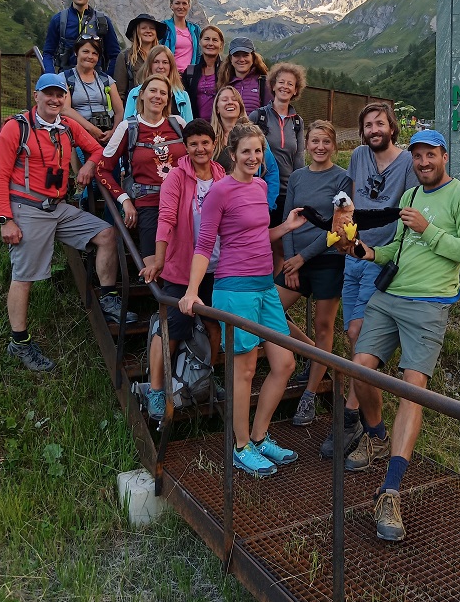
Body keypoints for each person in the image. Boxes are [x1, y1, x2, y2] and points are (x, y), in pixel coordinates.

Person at [348, 130, 460, 542]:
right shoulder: (409, 198)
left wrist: (429, 229)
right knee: (359, 367)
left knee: (413, 387)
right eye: (418, 157)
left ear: (444, 156)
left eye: (430, 155)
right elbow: (396, 250)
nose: (423, 163)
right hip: (388, 298)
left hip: (428, 304)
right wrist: (366, 252)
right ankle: (375, 436)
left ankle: (391, 488)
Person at [179, 124, 306, 479]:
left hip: (265, 286)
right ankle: (240, 446)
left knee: (284, 364)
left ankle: (260, 436)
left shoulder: (262, 186)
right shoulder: (220, 192)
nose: (253, 158)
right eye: (246, 151)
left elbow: (254, 232)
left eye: (258, 151)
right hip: (234, 289)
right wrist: (191, 291)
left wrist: (285, 228)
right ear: (232, 154)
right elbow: (205, 245)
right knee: (245, 369)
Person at [0, 74, 137, 372]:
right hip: (27, 208)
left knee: (106, 234)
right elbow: (0, 177)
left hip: (59, 207)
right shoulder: (15, 128)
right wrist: (6, 220)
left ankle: (108, 298)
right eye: (49, 94)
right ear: (36, 96)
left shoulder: (67, 126)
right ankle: (19, 342)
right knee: (25, 276)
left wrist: (87, 165)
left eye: (60, 95)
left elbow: (98, 149)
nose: (55, 100)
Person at [321, 102, 417, 461]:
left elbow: (406, 209)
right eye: (368, 125)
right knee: (351, 333)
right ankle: (357, 416)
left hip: (380, 257)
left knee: (360, 333)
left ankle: (352, 417)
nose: (374, 129)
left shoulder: (407, 162)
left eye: (380, 123)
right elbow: (348, 198)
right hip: (353, 255)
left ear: (392, 127)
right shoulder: (360, 155)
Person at [139, 119, 226, 419]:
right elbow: (166, 220)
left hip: (215, 266)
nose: (200, 148)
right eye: (193, 144)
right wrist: (159, 260)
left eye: (205, 142)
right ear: (185, 147)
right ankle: (155, 388)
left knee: (215, 326)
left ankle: (205, 379)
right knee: (173, 327)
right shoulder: (176, 177)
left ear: (214, 144)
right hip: (182, 268)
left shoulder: (221, 174)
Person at [275, 120, 352, 426]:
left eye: (326, 142)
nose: (320, 147)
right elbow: (288, 218)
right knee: (269, 311)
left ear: (334, 146)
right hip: (296, 259)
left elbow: (338, 227)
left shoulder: (343, 179)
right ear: (306, 144)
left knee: (324, 326)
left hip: (328, 260)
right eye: (315, 141)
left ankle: (309, 396)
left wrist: (302, 259)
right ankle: (312, 353)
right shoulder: (297, 177)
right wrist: (291, 258)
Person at [96, 75, 186, 262]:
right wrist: (125, 200)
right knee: (153, 265)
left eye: (163, 93)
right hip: (149, 205)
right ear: (142, 95)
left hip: (182, 202)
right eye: (153, 91)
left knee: (185, 262)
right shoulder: (127, 128)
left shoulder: (178, 124)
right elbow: (102, 170)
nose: (157, 96)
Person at [250, 62, 306, 274]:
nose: (285, 87)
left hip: (287, 192)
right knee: (260, 241)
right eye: (281, 82)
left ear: (295, 90)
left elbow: (299, 158)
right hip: (261, 190)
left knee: (281, 245)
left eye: (290, 84)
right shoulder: (258, 116)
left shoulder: (298, 122)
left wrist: (299, 189)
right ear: (272, 86)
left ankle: (274, 289)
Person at [211, 85, 279, 212]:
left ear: (240, 106)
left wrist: (267, 205)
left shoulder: (255, 136)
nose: (230, 102)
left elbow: (272, 172)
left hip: (250, 205)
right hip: (219, 206)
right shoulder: (210, 138)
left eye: (234, 99)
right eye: (225, 99)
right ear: (217, 108)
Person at [43, 0, 121, 76]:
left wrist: (106, 79)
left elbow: (115, 55)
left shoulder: (103, 21)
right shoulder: (59, 20)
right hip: (66, 79)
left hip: (95, 80)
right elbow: (48, 53)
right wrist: (51, 77)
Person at [61, 35, 124, 146]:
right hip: (77, 134)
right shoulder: (65, 78)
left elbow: (119, 111)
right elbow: (65, 109)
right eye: (85, 51)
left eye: (95, 53)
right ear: (76, 52)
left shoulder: (106, 80)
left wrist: (114, 132)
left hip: (106, 134)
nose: (90, 56)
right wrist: (90, 128)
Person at [124, 45, 193, 122]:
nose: (161, 66)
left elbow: (189, 129)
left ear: (171, 66)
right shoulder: (134, 94)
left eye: (165, 62)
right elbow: (127, 126)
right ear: (149, 65)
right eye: (156, 62)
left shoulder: (183, 96)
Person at [114, 14, 168, 105]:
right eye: (144, 28)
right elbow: (120, 93)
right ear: (136, 31)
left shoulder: (163, 56)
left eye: (152, 28)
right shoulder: (125, 57)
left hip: (160, 106)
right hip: (135, 108)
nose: (148, 31)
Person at [182, 25, 225, 120]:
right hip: (196, 127)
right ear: (200, 42)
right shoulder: (190, 72)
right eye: (206, 39)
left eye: (215, 40)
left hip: (221, 126)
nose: (210, 43)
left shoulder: (227, 71)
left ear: (221, 44)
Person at [217, 37, 270, 114]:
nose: (241, 59)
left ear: (253, 57)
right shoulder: (223, 83)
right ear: (231, 59)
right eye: (236, 55)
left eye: (245, 55)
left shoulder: (264, 83)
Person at [162, 0, 202, 74]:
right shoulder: (164, 26)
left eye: (184, 3)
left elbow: (198, 54)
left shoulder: (195, 29)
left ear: (188, 6)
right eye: (177, 3)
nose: (181, 7)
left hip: (189, 76)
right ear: (171, 5)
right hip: (170, 75)